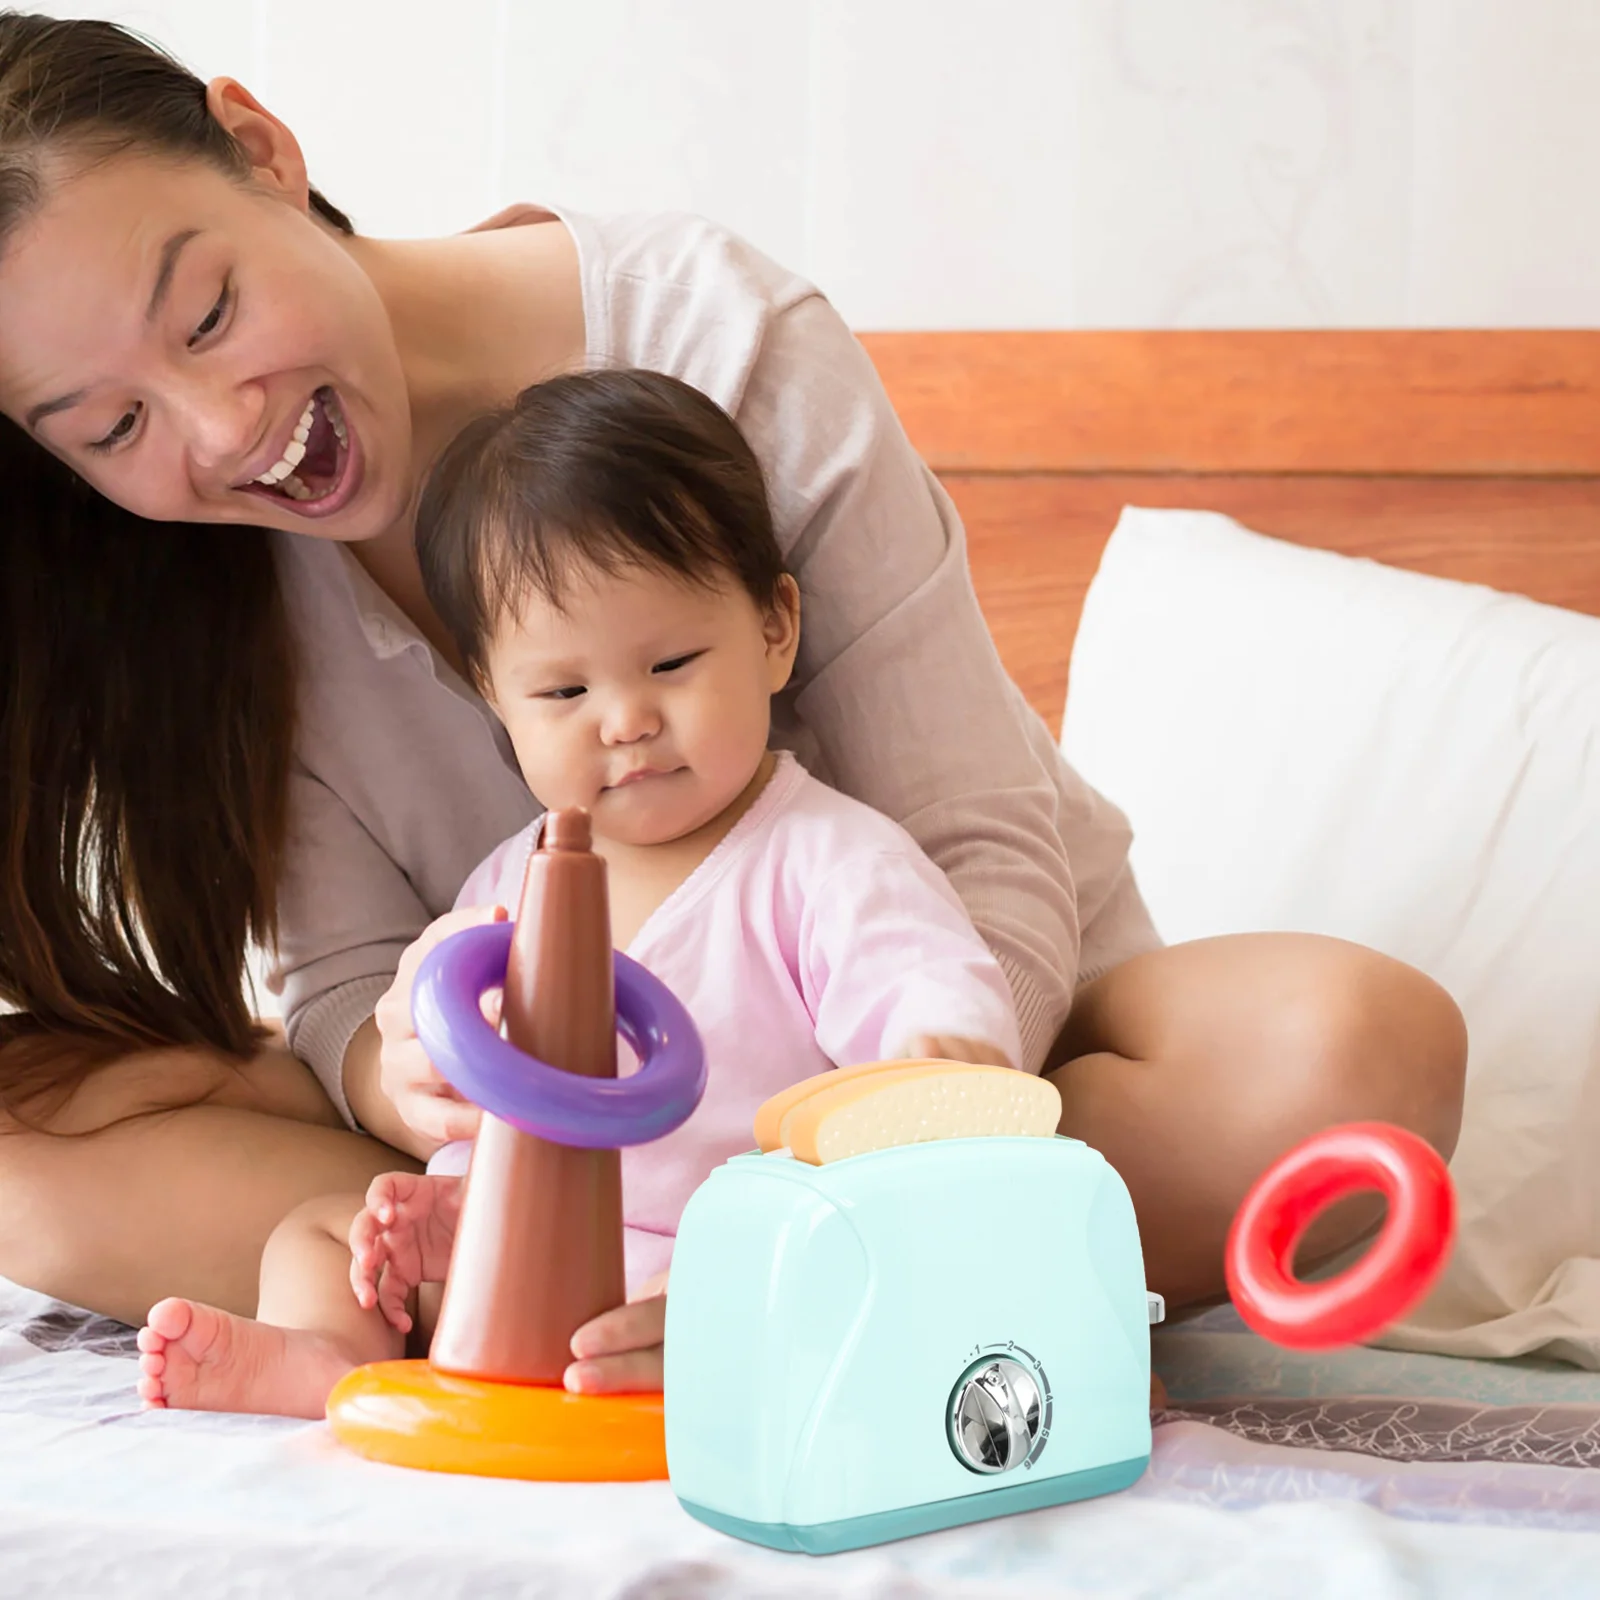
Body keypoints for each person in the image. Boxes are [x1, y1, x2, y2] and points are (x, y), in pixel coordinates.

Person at [0, 15, 1466, 1340]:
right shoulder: (199, 569)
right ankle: (552, 1272)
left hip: (957, 1070)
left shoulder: (716, 338)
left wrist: (844, 1183)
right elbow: (342, 985)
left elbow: (984, 860)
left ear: (260, 151)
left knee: (1350, 1051)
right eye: (111, 427)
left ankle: (767, 1282)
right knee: (27, 1166)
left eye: (205, 316)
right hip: (572, 1136)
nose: (215, 426)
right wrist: (409, 1081)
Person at [136, 367, 1028, 1415]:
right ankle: (327, 1358)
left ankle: (629, 1362)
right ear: (494, 697)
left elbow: (926, 987)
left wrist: (941, 1052)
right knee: (319, 1232)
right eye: (564, 690)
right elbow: (436, 1012)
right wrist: (428, 1105)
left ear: (775, 629)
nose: (625, 720)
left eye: (673, 662)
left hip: (695, 1250)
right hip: (500, 1243)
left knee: (760, 1286)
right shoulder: (511, 878)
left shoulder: (824, 859)